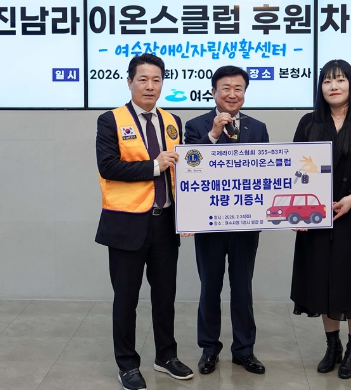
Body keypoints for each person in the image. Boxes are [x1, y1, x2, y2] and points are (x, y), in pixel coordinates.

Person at [95, 53, 194, 390]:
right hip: (127, 225)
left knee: (165, 297)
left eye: (156, 80)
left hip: (165, 222)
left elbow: (186, 169)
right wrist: (154, 165)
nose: (150, 86)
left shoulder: (172, 120)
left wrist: (189, 214)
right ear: (129, 82)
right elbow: (108, 166)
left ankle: (166, 356)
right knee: (126, 299)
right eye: (143, 79)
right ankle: (127, 365)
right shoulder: (110, 120)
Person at [290, 59, 351, 379]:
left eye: (340, 80)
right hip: (317, 217)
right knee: (324, 283)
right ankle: (332, 346)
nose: (333, 86)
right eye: (327, 81)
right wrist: (297, 211)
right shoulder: (309, 122)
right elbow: (294, 167)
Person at [182, 65, 270, 375]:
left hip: (245, 222)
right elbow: (190, 167)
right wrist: (213, 135)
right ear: (213, 92)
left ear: (244, 93)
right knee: (210, 287)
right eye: (226, 88)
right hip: (209, 222)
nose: (232, 94)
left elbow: (266, 171)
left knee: (242, 288)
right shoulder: (196, 126)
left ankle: (244, 350)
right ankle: (209, 349)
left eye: (238, 89)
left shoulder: (258, 128)